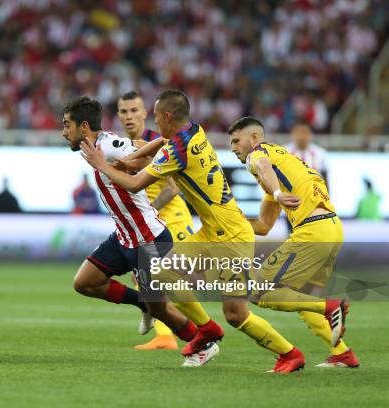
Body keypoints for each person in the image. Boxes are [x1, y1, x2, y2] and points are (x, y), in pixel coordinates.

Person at [81, 90, 303, 373]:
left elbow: (135, 184)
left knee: (236, 315)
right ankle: (208, 330)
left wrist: (102, 165)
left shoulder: (177, 151)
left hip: (231, 238)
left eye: (157, 116)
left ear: (167, 117)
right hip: (213, 230)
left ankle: (289, 353)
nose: (155, 123)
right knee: (162, 274)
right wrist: (135, 155)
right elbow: (162, 140)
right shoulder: (195, 132)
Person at [62, 96, 217, 365]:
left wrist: (141, 163)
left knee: (163, 309)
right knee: (84, 283)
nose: (64, 132)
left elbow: (152, 149)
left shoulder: (107, 145)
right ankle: (143, 303)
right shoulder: (98, 147)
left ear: (83, 126)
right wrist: (135, 160)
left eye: (67, 125)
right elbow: (143, 147)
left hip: (149, 239)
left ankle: (204, 343)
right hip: (124, 237)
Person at [229, 116, 357, 368]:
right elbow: (263, 226)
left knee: (257, 291)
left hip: (311, 232)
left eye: (236, 140)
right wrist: (230, 222)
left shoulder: (260, 153)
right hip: (332, 228)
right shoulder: (283, 162)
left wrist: (277, 193)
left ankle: (331, 307)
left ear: (254, 137)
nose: (233, 147)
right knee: (300, 298)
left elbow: (262, 165)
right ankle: (343, 354)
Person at [117, 91, 194, 351]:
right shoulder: (121, 146)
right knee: (144, 278)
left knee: (169, 279)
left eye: (133, 110)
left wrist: (149, 213)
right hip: (150, 224)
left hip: (171, 218)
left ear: (144, 114)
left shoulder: (157, 141)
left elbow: (172, 188)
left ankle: (188, 333)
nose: (129, 116)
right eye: (123, 111)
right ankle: (169, 332)